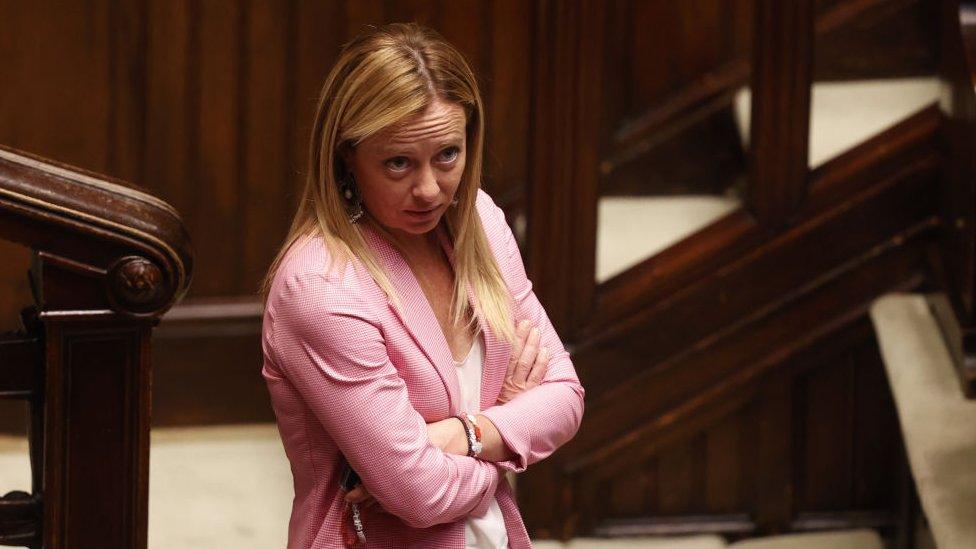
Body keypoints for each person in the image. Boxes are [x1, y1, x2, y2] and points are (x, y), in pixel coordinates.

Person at [260, 22, 585, 549]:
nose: (430, 190)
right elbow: (420, 494)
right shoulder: (322, 289)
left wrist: (465, 435)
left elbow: (566, 397)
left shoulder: (479, 220)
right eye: (398, 163)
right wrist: (511, 427)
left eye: (447, 155)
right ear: (347, 155)